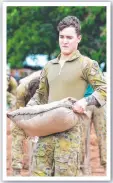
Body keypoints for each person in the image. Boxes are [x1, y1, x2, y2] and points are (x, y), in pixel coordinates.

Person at [26, 16, 106, 176]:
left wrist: (85, 101)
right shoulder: (49, 66)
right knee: (37, 176)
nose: (65, 41)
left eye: (69, 37)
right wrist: (29, 114)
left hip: (69, 135)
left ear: (79, 38)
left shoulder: (87, 64)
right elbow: (40, 96)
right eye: (61, 37)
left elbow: (104, 89)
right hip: (45, 133)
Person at [11, 75, 40, 176]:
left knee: (39, 139)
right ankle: (16, 169)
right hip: (20, 112)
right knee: (17, 138)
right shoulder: (21, 90)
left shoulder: (47, 88)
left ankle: (35, 168)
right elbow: (21, 112)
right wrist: (29, 128)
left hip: (39, 111)